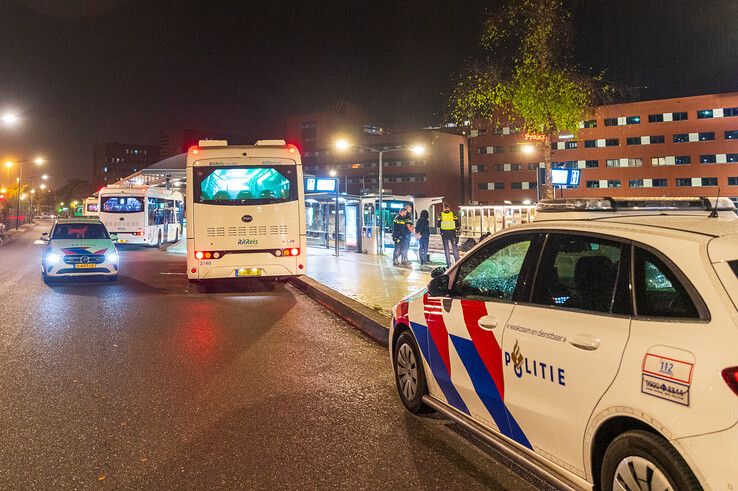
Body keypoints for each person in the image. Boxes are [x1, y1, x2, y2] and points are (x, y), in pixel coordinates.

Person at [437, 202, 460, 267]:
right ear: (449, 208)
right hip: (452, 233)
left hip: (444, 234)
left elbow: (438, 225)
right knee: (455, 248)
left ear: (444, 208)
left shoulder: (441, 215)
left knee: (446, 249)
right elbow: (457, 224)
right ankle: (457, 263)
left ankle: (448, 264)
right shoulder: (453, 214)